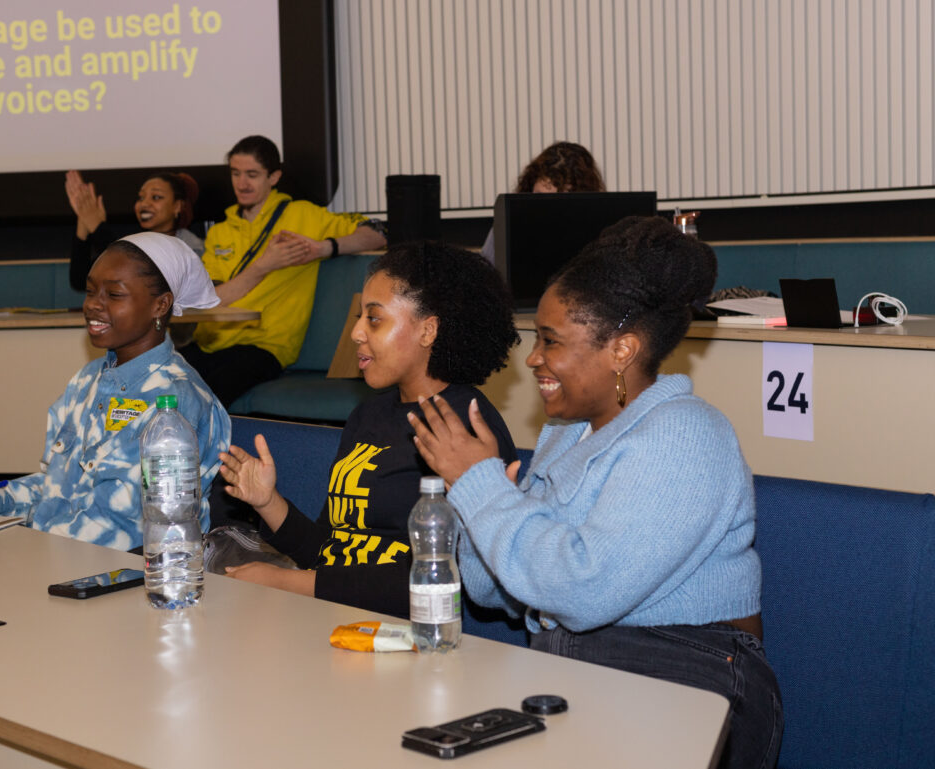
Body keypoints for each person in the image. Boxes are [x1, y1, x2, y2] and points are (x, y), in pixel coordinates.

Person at [410, 217, 783, 768]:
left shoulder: (685, 434)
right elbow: (497, 593)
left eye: (551, 341)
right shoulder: (567, 431)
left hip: (687, 670)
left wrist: (482, 486)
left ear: (622, 350)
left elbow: (583, 592)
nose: (533, 357)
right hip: (574, 665)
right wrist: (478, 494)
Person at [216, 242, 519, 618]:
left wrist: (286, 583)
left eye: (374, 319)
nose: (356, 332)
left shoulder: (467, 430)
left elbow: (441, 580)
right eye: (359, 317)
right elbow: (330, 554)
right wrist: (267, 502)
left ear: (428, 331)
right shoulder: (367, 416)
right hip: (342, 621)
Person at [0, 233, 231, 552]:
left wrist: (22, 552)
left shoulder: (178, 400)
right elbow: (57, 487)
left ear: (160, 305)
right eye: (91, 291)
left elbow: (133, 528)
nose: (93, 304)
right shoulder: (88, 380)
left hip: (124, 578)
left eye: (114, 294)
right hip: (54, 562)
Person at [179, 135, 387, 409]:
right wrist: (264, 265)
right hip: (210, 344)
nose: (242, 183)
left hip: (264, 347)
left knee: (203, 398)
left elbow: (379, 233)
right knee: (155, 380)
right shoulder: (220, 231)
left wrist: (325, 248)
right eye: (236, 173)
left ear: (274, 177)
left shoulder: (303, 216)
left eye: (252, 174)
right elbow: (211, 299)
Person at [66, 169, 203, 292]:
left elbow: (141, 277)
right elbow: (80, 280)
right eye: (141, 197)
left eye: (156, 197)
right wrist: (83, 221)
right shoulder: (136, 242)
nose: (144, 204)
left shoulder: (190, 245)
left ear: (177, 206)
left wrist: (97, 227)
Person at [480, 141, 606, 263]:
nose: (546, 209)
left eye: (556, 200)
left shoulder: (600, 233)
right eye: (539, 196)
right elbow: (484, 274)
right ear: (530, 187)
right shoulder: (507, 225)